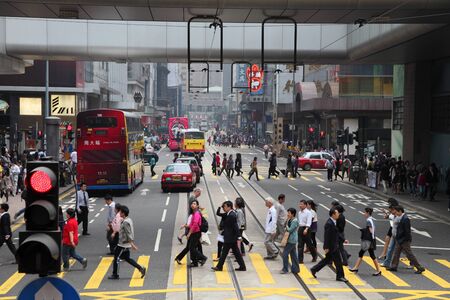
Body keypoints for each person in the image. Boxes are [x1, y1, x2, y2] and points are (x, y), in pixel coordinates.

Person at [310, 207, 348, 282]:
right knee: (338, 262)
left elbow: (336, 233)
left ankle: (314, 269)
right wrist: (326, 247)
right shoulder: (329, 223)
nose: (338, 215)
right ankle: (340, 276)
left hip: (334, 245)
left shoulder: (333, 222)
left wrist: (343, 240)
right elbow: (326, 236)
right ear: (333, 214)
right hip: (332, 246)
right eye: (337, 213)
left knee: (327, 259)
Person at [109, 205, 146, 279]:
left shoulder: (125, 222)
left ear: (123, 213)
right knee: (127, 258)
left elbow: (128, 233)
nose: (119, 213)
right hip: (125, 243)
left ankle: (115, 274)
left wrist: (132, 244)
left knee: (116, 258)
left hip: (123, 244)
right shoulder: (128, 220)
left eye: (120, 212)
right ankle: (141, 268)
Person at [387, 206, 425, 274]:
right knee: (396, 253)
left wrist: (404, 240)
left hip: (404, 240)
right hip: (400, 239)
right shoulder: (401, 217)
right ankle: (394, 266)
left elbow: (407, 231)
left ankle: (419, 267)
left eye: (397, 212)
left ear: (400, 211)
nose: (396, 213)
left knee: (409, 254)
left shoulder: (405, 219)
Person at [212, 201, 246, 271]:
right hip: (231, 237)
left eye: (224, 206)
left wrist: (239, 236)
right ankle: (242, 266)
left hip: (230, 237)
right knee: (236, 253)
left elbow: (235, 226)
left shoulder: (231, 215)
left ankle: (219, 267)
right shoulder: (229, 214)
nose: (224, 208)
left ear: (229, 207)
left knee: (224, 253)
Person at [349, 207, 382, 276]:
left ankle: (356, 267)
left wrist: (363, 231)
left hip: (368, 240)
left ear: (368, 213)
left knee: (363, 253)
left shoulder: (368, 221)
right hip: (371, 239)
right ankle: (356, 267)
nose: (364, 214)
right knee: (369, 254)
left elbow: (370, 231)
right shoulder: (371, 220)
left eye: (365, 212)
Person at [280, 208, 300, 274]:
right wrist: (286, 222)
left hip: (292, 240)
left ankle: (285, 269)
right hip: (290, 239)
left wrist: (286, 226)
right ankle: (295, 269)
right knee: (293, 255)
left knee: (284, 254)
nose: (288, 214)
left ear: (293, 214)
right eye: (287, 213)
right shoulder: (290, 219)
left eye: (289, 213)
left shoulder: (295, 221)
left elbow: (290, 230)